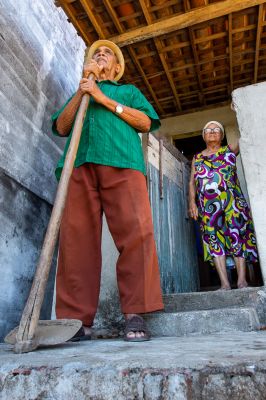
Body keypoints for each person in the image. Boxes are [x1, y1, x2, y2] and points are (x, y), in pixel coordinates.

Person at [51, 40, 164, 342]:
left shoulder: (127, 92)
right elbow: (62, 126)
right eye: (95, 54)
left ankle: (136, 311)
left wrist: (102, 97)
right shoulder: (81, 91)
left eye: (106, 54)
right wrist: (84, 89)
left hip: (122, 161)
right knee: (76, 241)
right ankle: (76, 321)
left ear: (116, 66)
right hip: (79, 164)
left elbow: (144, 121)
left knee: (136, 233)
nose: (100, 56)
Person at [188, 120, 258, 290]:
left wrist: (238, 109)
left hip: (232, 203)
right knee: (213, 240)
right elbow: (192, 183)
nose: (212, 131)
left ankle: (242, 281)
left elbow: (247, 135)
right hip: (208, 206)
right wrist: (192, 203)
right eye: (208, 130)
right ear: (203, 136)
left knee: (237, 237)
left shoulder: (229, 150)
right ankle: (225, 284)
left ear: (222, 135)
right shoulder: (197, 158)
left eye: (216, 129)